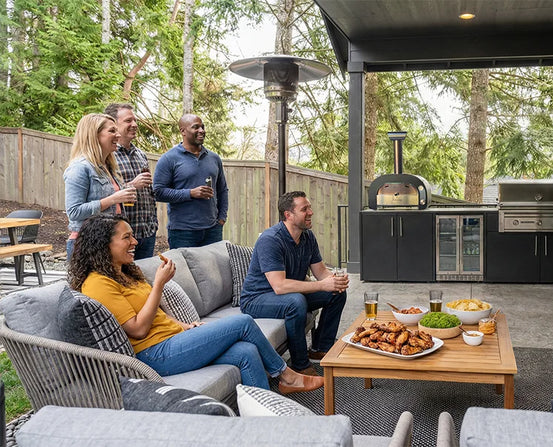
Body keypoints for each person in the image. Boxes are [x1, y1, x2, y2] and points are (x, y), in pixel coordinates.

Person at [68, 214, 323, 394]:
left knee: (246, 351)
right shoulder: (98, 283)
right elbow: (138, 329)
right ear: (104, 244)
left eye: (133, 236)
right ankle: (285, 375)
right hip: (154, 354)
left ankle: (262, 422)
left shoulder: (125, 272)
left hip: (172, 340)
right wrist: (159, 284)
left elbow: (156, 315)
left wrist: (184, 326)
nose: (135, 242)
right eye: (127, 237)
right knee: (243, 322)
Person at [239, 191, 347, 376]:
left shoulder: (307, 237)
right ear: (288, 215)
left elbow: (320, 272)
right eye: (304, 209)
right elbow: (280, 286)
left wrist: (335, 280)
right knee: (295, 302)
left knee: (336, 293)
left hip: (287, 294)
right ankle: (300, 365)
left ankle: (321, 348)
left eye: (309, 208)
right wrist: (322, 285)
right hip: (257, 299)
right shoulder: (271, 240)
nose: (311, 212)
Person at [64, 113, 137, 261]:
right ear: (94, 135)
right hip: (87, 244)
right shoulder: (80, 168)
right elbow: (74, 212)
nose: (118, 135)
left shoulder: (108, 167)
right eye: (112, 131)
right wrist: (113, 199)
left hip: (109, 242)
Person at [153, 114, 229, 248]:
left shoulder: (214, 158)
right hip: (182, 233)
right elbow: (158, 192)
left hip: (212, 231)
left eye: (202, 127)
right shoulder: (169, 159)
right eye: (196, 127)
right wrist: (190, 193)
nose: (201, 130)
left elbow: (222, 190)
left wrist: (222, 218)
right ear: (183, 131)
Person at [105, 103, 158, 259]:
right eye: (128, 121)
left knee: (144, 274)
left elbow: (149, 193)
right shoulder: (108, 155)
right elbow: (104, 194)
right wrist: (132, 185)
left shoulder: (140, 154)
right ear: (114, 124)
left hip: (147, 233)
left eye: (135, 120)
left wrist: (153, 224)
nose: (134, 124)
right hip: (122, 235)